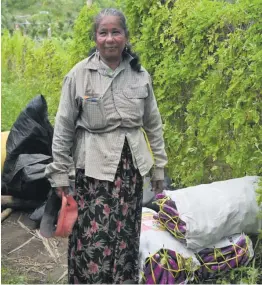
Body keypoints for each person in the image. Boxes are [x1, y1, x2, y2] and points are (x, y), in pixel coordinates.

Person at [45, 7, 168, 284]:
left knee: (125, 233)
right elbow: (63, 126)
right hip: (93, 171)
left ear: (125, 36)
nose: (110, 38)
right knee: (92, 235)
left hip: (131, 171)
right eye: (103, 32)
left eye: (116, 32)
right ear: (95, 37)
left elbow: (153, 124)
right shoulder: (79, 75)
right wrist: (59, 173)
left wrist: (158, 167)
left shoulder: (140, 75)